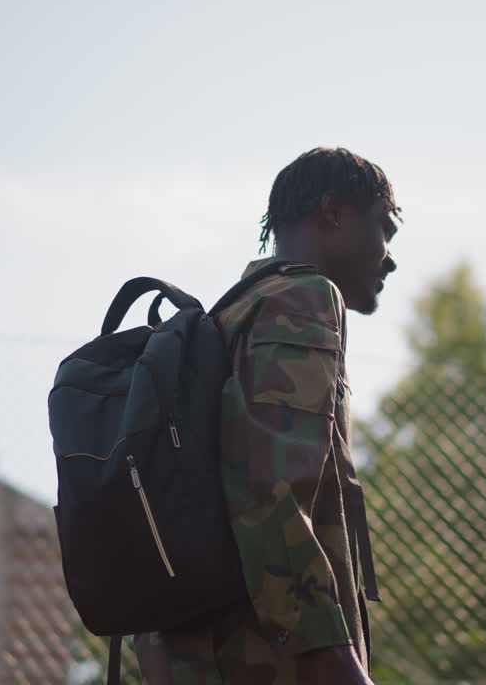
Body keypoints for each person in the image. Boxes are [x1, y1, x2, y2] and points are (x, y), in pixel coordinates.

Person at [135, 147, 400, 685]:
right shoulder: (303, 299)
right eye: (384, 228)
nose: (389, 256)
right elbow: (268, 491)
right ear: (333, 212)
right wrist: (341, 666)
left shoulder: (233, 312)